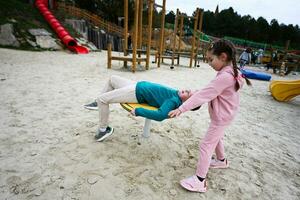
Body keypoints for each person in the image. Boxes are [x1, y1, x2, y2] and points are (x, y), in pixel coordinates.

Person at [168, 39, 252, 193]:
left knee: (206, 145)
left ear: (223, 57)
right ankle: (221, 160)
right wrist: (193, 94)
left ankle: (200, 180)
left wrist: (181, 108)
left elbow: (205, 94)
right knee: (216, 138)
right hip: (224, 115)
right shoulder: (231, 72)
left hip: (221, 117)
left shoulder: (225, 77)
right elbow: (209, 91)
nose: (209, 63)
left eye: (210, 59)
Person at [84, 75, 199, 142]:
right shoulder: (177, 94)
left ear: (187, 102)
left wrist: (139, 111)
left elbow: (160, 115)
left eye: (188, 93)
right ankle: (97, 103)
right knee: (112, 79)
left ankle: (103, 130)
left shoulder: (174, 101)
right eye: (189, 89)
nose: (186, 89)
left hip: (136, 93)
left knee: (102, 99)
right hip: (136, 85)